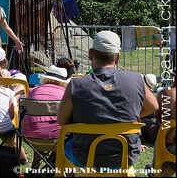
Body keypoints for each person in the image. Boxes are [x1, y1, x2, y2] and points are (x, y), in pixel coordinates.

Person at [57, 30, 159, 170]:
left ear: (90, 54)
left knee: (67, 143)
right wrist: (129, 117)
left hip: (84, 156)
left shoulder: (76, 84)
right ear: (117, 58)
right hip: (126, 156)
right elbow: (153, 106)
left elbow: (62, 121)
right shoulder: (136, 80)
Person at [21, 65, 70, 168]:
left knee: (38, 125)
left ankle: (36, 164)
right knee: (56, 127)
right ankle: (56, 165)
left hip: (31, 136)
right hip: (59, 138)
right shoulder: (65, 94)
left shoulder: (33, 91)